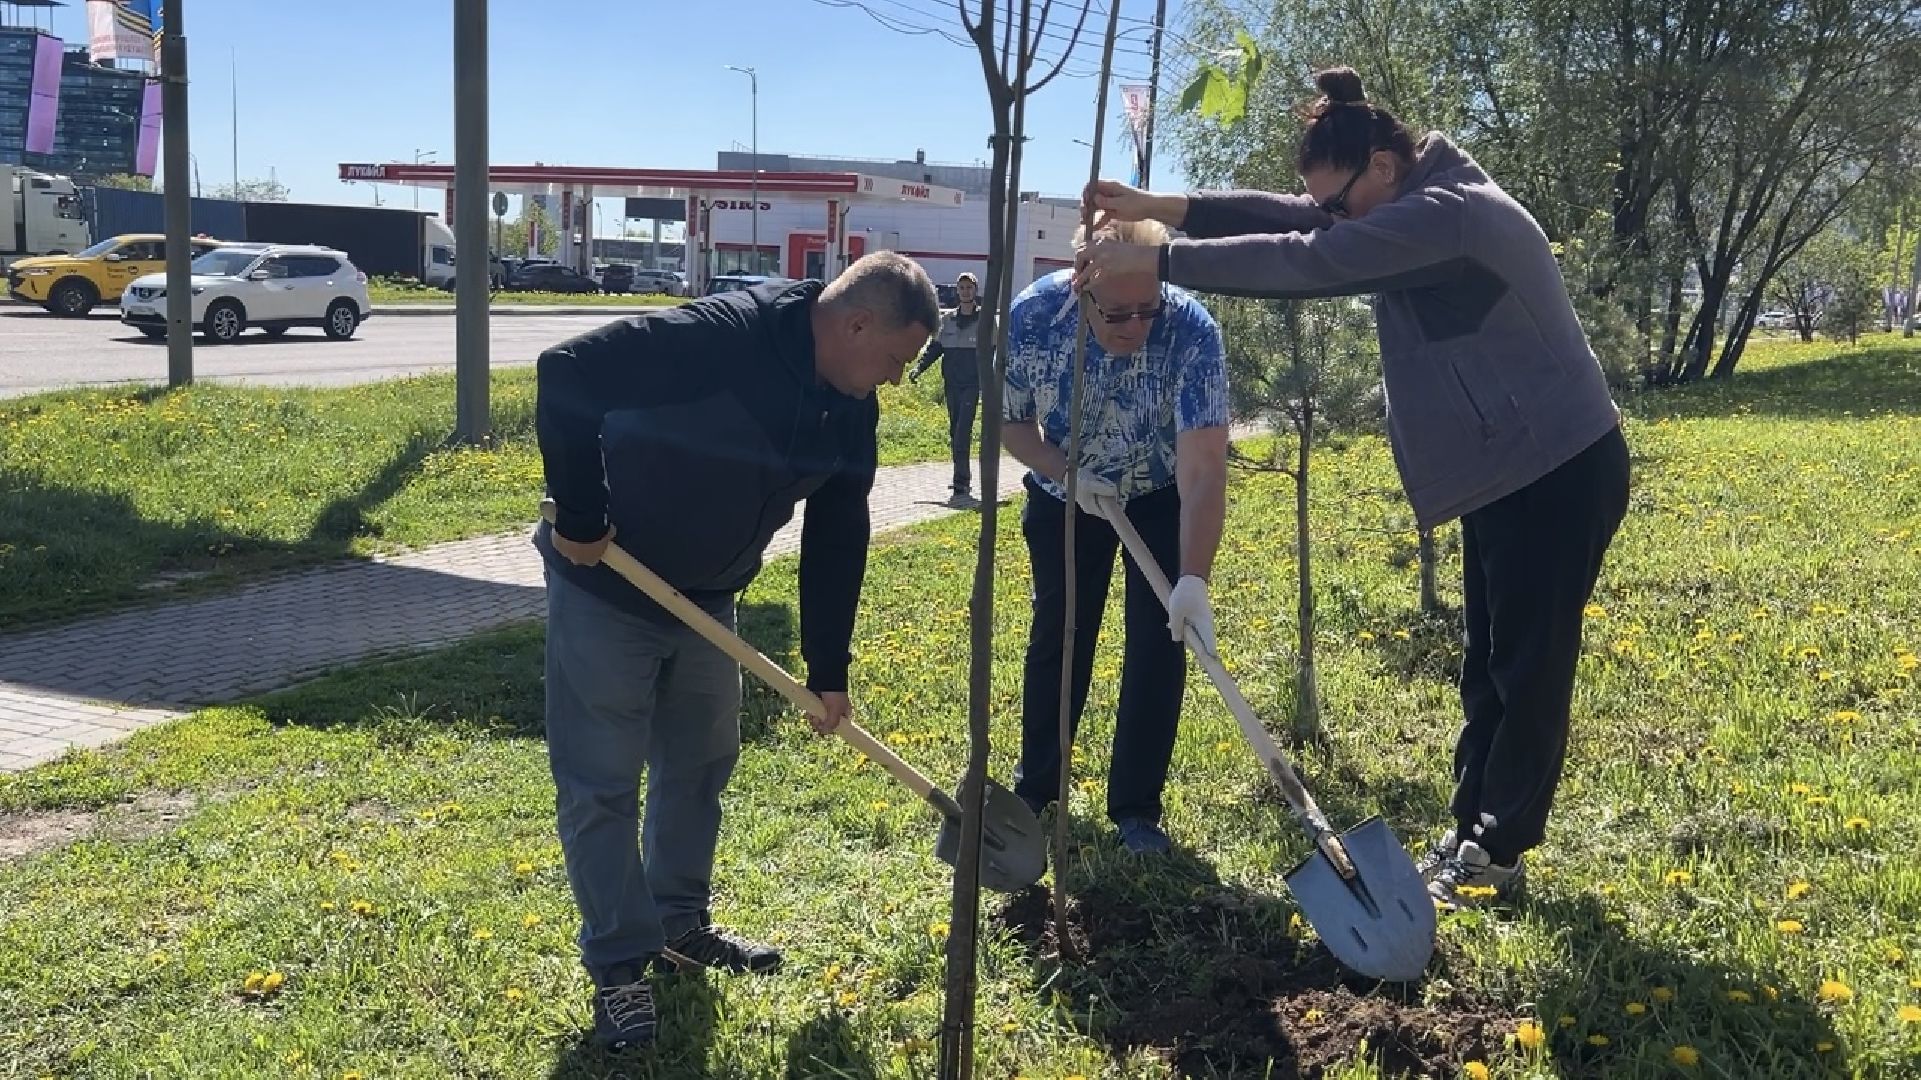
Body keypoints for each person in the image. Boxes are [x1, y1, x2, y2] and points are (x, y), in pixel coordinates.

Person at [1074, 66, 1630, 908]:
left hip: (1553, 465)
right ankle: (1474, 829)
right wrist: (1160, 206)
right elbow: (1294, 217)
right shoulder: (1404, 194)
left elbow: (1314, 256)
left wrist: (1159, 263)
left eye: (1340, 201)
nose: (1330, 215)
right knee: (1489, 664)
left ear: (1381, 165)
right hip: (1510, 466)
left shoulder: (1452, 216)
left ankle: (1499, 851)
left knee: (1528, 667)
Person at [533, 251, 940, 1049]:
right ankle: (619, 966)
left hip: (708, 603)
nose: (894, 380)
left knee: (699, 763)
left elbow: (838, 531)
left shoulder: (848, 404)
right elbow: (567, 371)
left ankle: (679, 928)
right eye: (895, 359)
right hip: (610, 587)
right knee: (602, 781)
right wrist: (581, 514)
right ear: (856, 323)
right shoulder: (721, 338)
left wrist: (828, 670)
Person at [1003, 215, 1232, 856]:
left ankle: (1136, 807)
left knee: (1159, 645)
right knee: (1062, 633)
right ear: (1082, 286)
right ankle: (1038, 787)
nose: (1135, 327)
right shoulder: (1035, 319)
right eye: (1117, 314)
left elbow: (1203, 467)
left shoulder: (1190, 331)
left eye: (1147, 310)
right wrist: (1066, 473)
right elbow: (1012, 424)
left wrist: (1192, 578)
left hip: (1160, 497)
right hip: (1066, 500)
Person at [909, 272, 984, 504]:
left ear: (975, 290)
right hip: (952, 385)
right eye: (961, 288)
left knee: (962, 433)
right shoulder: (947, 321)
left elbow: (997, 353)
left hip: (973, 384)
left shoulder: (985, 321)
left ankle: (961, 484)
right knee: (955, 433)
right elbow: (934, 349)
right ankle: (960, 477)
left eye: (969, 287)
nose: (965, 292)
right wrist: (918, 369)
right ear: (957, 291)